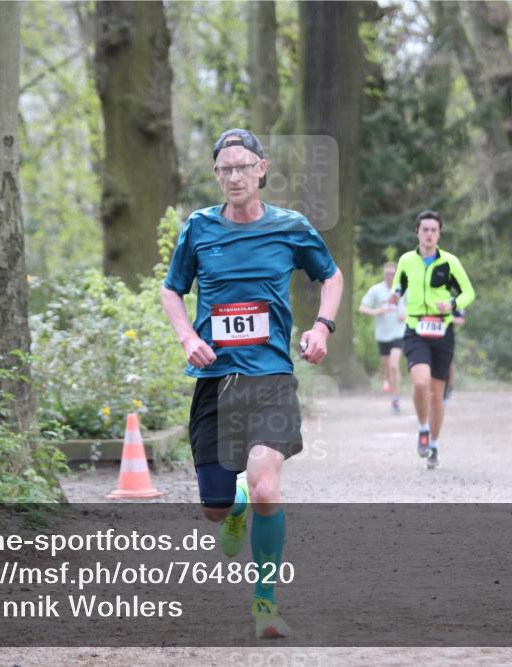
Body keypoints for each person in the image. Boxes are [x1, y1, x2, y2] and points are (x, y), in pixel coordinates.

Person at [160, 129, 343, 638]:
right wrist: (185, 338)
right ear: (216, 175)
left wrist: (322, 326)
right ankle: (233, 505)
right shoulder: (199, 229)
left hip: (271, 378)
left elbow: (330, 275)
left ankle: (265, 603)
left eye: (243, 167)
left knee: (266, 483)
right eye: (225, 169)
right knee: (216, 511)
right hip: (216, 380)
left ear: (261, 169)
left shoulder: (291, 228)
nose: (234, 176)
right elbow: (172, 290)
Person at [389, 210, 475, 469]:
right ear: (417, 232)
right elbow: (398, 285)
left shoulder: (450, 262)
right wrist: (394, 295)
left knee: (437, 395)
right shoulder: (406, 260)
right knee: (420, 383)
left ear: (439, 234)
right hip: (416, 328)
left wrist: (451, 303)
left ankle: (434, 445)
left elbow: (468, 292)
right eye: (424, 229)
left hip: (442, 332)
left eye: (433, 230)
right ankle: (422, 428)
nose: (428, 234)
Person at [358, 262, 406, 413]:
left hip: (399, 333)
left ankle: (395, 400)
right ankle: (391, 384)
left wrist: (407, 315)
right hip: (382, 335)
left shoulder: (404, 289)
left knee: (393, 365)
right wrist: (377, 311)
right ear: (384, 274)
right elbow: (362, 307)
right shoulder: (376, 290)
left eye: (393, 274)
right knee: (387, 368)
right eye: (388, 274)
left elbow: (416, 306)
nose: (390, 277)